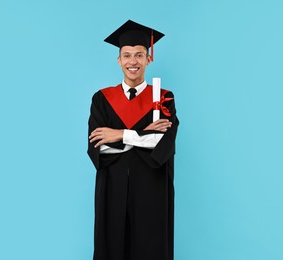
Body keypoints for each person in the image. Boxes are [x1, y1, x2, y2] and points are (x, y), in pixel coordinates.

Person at [87, 20, 179, 260]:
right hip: (113, 190)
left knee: (150, 247)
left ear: (149, 59)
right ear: (119, 60)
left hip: (151, 191)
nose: (133, 61)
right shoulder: (102, 100)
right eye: (127, 55)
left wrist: (119, 134)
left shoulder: (164, 99)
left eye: (139, 55)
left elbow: (163, 144)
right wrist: (142, 136)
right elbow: (99, 147)